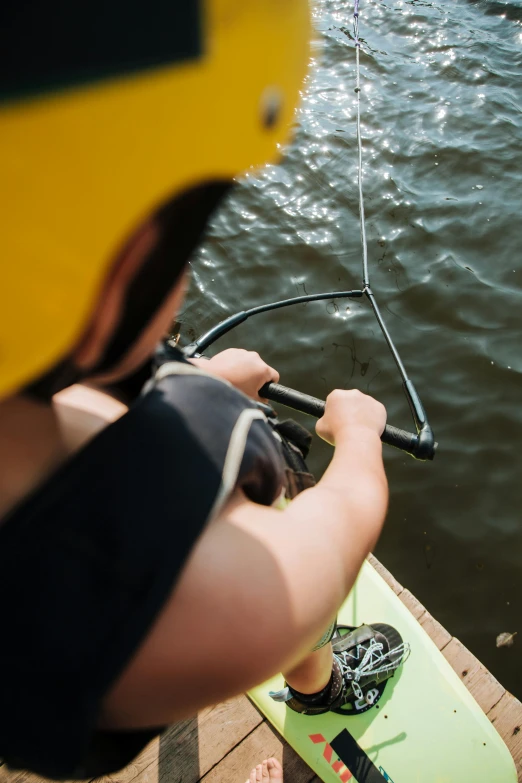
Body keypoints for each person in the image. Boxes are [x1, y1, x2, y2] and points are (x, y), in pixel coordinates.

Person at [0, 1, 406, 780]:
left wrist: (205, 380)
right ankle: (321, 689)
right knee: (249, 461)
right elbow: (339, 526)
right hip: (191, 623)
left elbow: (80, 405)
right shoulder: (211, 608)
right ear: (116, 283)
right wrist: (358, 431)